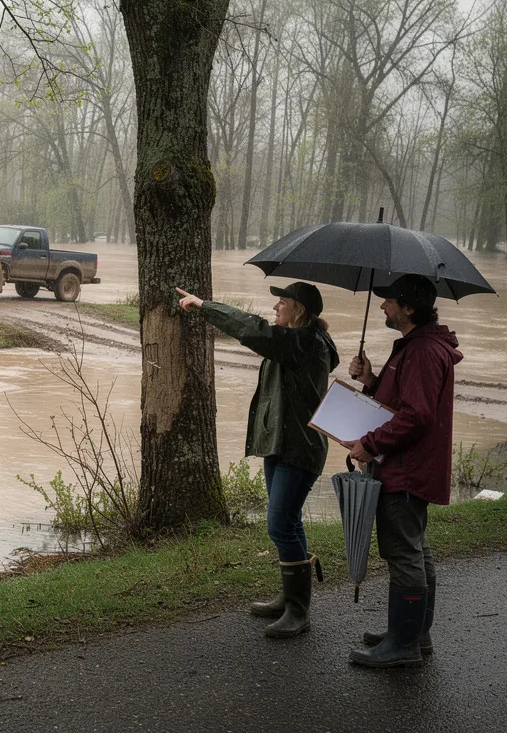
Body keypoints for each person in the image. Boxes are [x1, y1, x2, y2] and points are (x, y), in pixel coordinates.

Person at [177, 282, 339, 638]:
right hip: (280, 443)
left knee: (280, 523)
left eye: (282, 303)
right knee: (289, 521)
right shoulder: (294, 340)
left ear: (301, 311)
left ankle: (299, 611)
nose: (276, 307)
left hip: (300, 447)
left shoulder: (305, 343)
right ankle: (290, 597)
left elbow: (253, 330)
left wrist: (205, 306)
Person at [342, 274, 461, 669]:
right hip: (410, 466)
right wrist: (371, 380)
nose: (382, 306)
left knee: (403, 552)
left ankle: (403, 643)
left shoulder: (423, 351)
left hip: (405, 470)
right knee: (416, 549)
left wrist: (371, 444)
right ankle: (414, 633)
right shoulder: (415, 346)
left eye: (389, 300)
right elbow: (401, 402)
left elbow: (416, 416)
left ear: (408, 307)